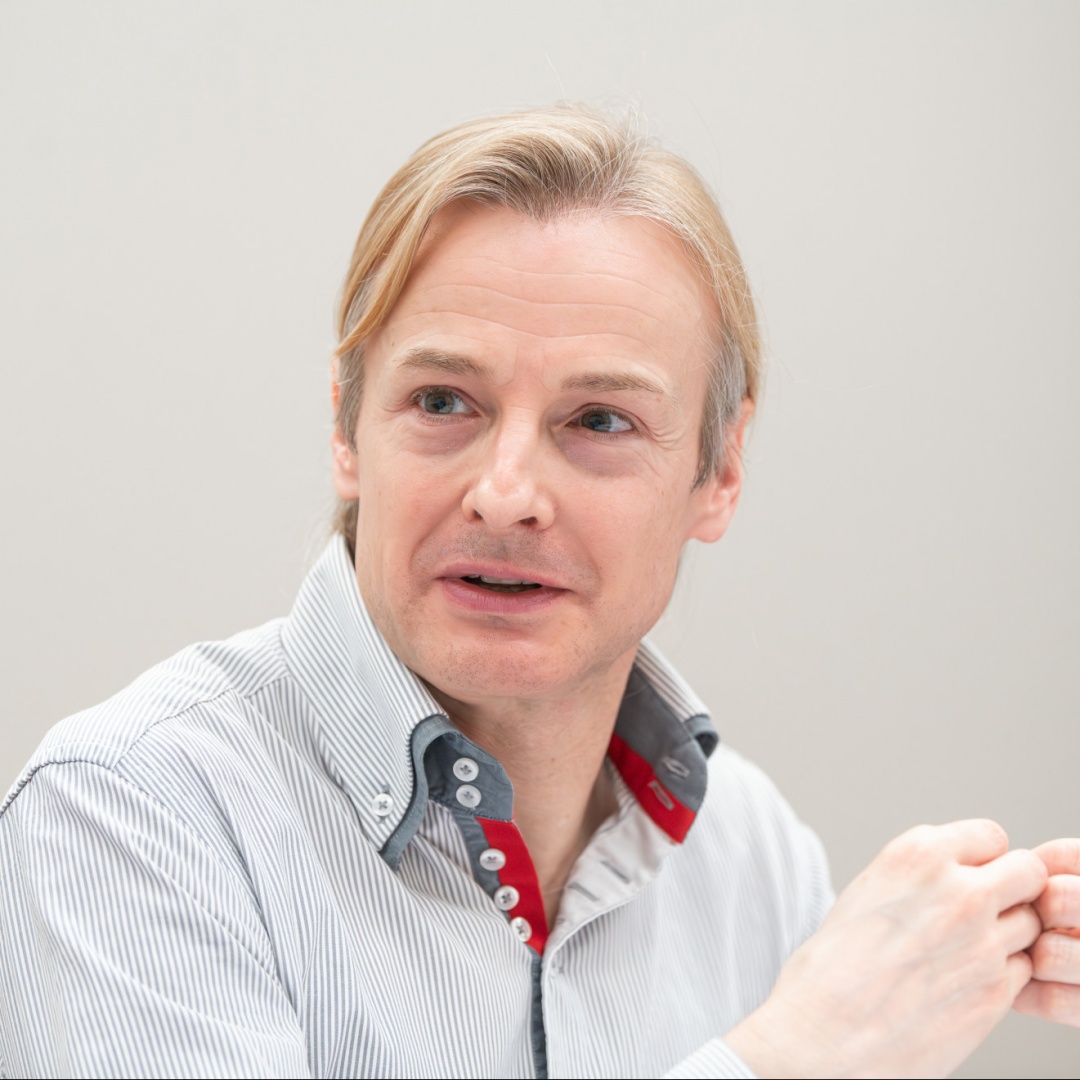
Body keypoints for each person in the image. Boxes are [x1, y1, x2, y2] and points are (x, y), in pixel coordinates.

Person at [0, 105, 1076, 1079]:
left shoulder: (751, 851)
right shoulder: (130, 815)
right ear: (346, 432)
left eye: (600, 420)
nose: (506, 493)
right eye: (443, 401)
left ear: (720, 472)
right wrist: (791, 1062)